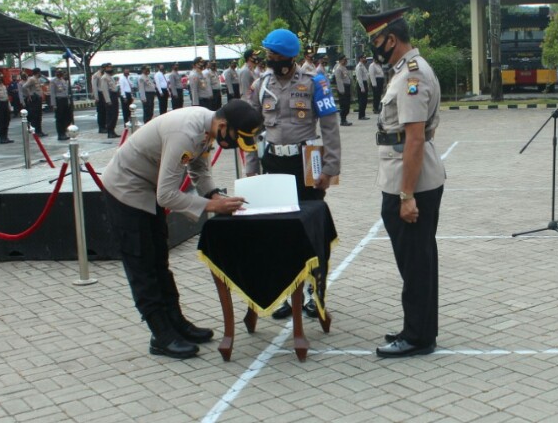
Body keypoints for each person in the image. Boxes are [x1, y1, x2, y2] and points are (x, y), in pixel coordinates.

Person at [102, 97, 259, 358]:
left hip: (148, 188)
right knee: (143, 263)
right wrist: (212, 207)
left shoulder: (207, 127)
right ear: (222, 124)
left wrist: (213, 194)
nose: (232, 144)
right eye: (233, 137)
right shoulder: (186, 133)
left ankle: (176, 323)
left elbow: (199, 166)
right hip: (126, 190)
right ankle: (161, 335)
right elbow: (167, 196)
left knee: (159, 260)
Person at [358, 8, 444, 358]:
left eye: (377, 40)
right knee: (415, 259)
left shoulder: (412, 75)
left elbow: (414, 139)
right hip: (402, 177)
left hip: (412, 182)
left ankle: (418, 337)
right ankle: (418, 326)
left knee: (416, 261)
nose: (375, 47)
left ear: (391, 39)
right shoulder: (404, 71)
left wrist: (406, 195)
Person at [243, 27, 341, 320]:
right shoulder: (261, 84)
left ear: (288, 56)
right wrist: (251, 169)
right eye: (268, 54)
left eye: (273, 54)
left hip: (306, 164)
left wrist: (330, 168)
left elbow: (330, 125)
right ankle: (288, 292)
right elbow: (250, 129)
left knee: (312, 230)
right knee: (281, 231)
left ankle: (315, 292)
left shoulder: (315, 82)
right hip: (273, 164)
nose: (268, 58)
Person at [21, 68, 47, 138]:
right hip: (34, 99)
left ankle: (39, 131)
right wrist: (29, 94)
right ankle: (36, 132)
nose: (40, 74)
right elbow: (24, 86)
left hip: (38, 99)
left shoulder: (37, 79)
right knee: (35, 116)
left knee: (39, 116)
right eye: (39, 73)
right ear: (37, 72)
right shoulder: (31, 79)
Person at [50, 68, 73, 141]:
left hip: (65, 100)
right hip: (58, 101)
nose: (60, 73)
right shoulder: (53, 81)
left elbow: (66, 92)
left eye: (61, 72)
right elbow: (52, 93)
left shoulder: (63, 81)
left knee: (68, 117)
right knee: (60, 118)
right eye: (58, 72)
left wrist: (68, 101)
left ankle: (64, 131)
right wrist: (54, 104)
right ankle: (60, 134)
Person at [333, 55, 353, 126]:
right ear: (340, 60)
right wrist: (341, 90)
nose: (346, 61)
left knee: (347, 104)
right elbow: (339, 80)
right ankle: (343, 120)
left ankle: (345, 119)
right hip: (343, 88)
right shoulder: (338, 69)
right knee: (343, 104)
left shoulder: (344, 68)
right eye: (344, 60)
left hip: (347, 87)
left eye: (346, 60)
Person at [355, 55, 370, 120]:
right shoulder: (359, 67)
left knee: (365, 101)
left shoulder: (363, 66)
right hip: (361, 84)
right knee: (362, 101)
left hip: (364, 83)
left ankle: (363, 115)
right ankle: (361, 116)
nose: (365, 59)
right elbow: (359, 78)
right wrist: (362, 87)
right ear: (360, 59)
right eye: (364, 58)